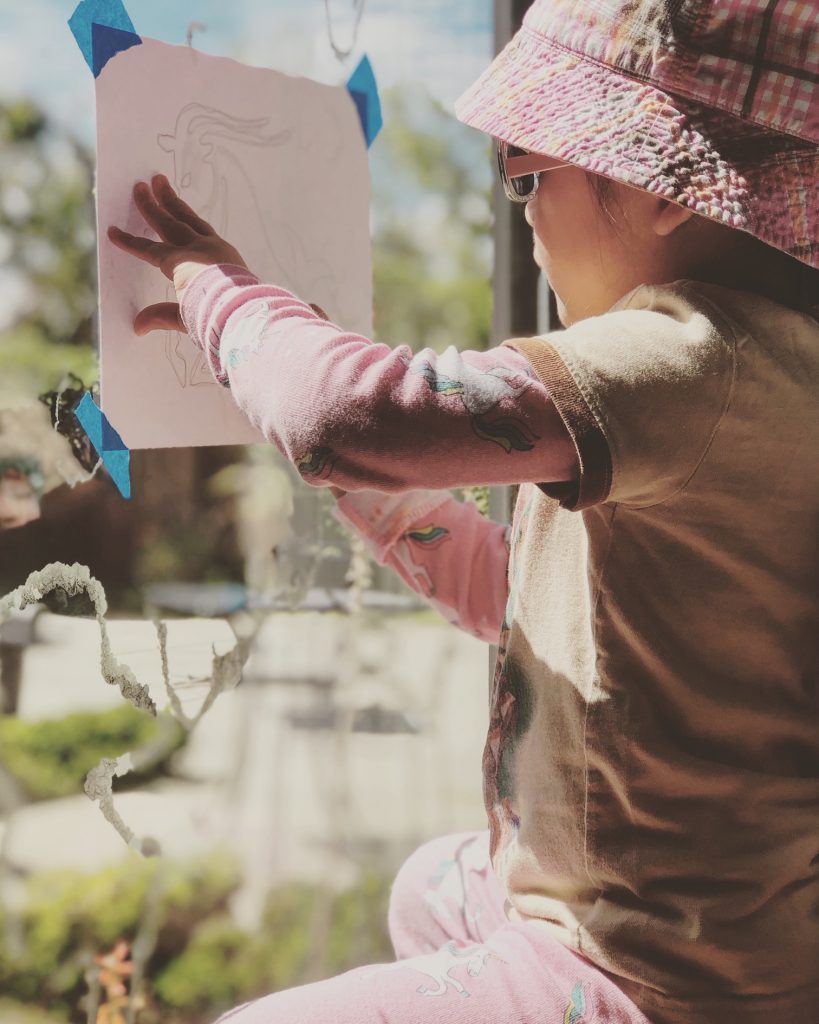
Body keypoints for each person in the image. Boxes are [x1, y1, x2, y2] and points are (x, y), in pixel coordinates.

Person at [108, 1, 819, 1021]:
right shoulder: (750, 382)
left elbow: (339, 413)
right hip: (718, 939)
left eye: (526, 176)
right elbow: (516, 594)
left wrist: (221, 294)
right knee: (430, 887)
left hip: (653, 973)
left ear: (657, 185)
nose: (521, 218)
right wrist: (363, 471)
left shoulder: (688, 356)